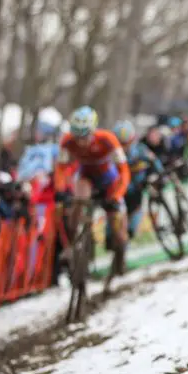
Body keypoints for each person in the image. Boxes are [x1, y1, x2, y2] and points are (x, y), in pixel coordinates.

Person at [53, 106, 131, 288]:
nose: (81, 141)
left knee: (118, 225)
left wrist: (117, 194)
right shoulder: (67, 141)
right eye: (77, 135)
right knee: (78, 198)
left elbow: (124, 172)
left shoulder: (107, 139)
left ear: (93, 130)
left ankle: (121, 253)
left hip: (109, 180)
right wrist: (60, 190)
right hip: (86, 177)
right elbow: (61, 169)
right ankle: (73, 242)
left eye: (85, 135)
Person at [114, 121, 164, 241]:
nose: (125, 147)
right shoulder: (113, 156)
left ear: (132, 139)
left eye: (127, 143)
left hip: (137, 191)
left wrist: (160, 175)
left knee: (132, 227)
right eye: (121, 144)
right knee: (115, 228)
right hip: (121, 193)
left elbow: (154, 161)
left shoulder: (141, 149)